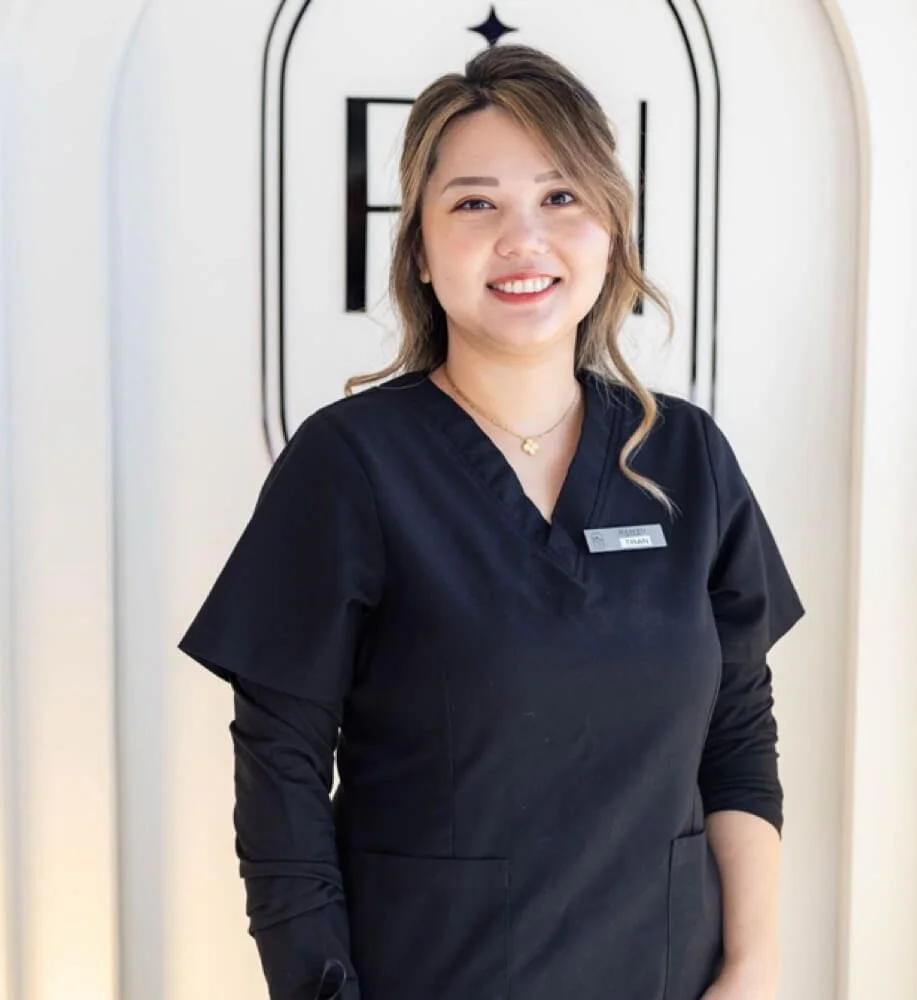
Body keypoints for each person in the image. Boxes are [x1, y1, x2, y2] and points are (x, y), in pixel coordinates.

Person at [177, 43, 804, 1000]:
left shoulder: (685, 459)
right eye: (475, 204)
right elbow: (282, 783)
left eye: (561, 198)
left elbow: (738, 736)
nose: (524, 240)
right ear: (421, 251)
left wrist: (754, 970)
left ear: (610, 232)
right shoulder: (351, 464)